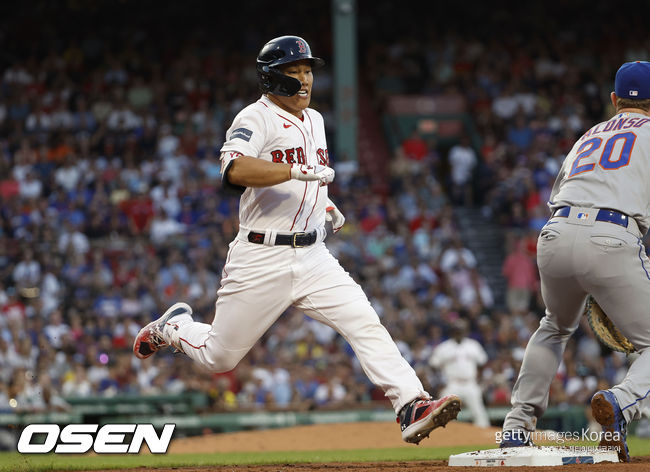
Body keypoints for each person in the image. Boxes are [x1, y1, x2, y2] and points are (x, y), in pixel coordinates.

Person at [133, 35, 460, 444]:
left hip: (313, 255)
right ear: (272, 78)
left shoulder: (316, 120)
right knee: (220, 357)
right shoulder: (255, 117)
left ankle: (411, 404)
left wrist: (323, 204)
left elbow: (308, 179)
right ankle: (175, 327)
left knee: (364, 321)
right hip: (260, 255)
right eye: (295, 71)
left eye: (308, 70)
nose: (305, 79)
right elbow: (233, 170)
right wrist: (292, 173)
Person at [499, 61, 650, 462]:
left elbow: (560, 191)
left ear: (615, 100)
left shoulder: (588, 135)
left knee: (554, 325)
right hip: (613, 236)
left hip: (555, 232)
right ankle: (621, 402)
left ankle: (516, 427)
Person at [430, 319, 490, 427]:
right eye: (456, 330)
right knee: (443, 410)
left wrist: (479, 378)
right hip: (452, 383)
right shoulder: (444, 347)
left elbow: (482, 362)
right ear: (452, 332)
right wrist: (439, 382)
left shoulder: (473, 345)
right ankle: (444, 435)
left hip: (470, 383)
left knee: (479, 412)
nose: (458, 333)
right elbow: (433, 365)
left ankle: (483, 434)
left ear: (465, 331)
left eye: (461, 330)